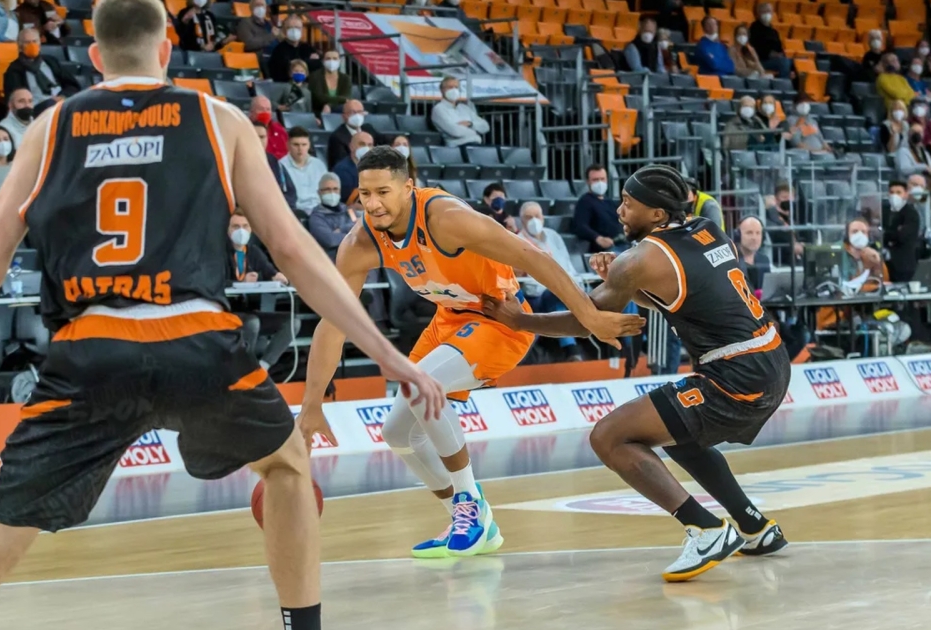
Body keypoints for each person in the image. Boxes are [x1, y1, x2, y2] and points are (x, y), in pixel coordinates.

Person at [0, 4, 447, 630]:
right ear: (166, 51)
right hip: (197, 343)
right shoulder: (219, 119)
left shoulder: (50, 127)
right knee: (286, 465)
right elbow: (294, 252)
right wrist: (389, 356)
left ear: (95, 56)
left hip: (90, 353)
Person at [299, 147, 643, 559]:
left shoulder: (446, 218)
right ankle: (471, 520)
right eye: (365, 194)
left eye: (383, 192)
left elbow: (534, 257)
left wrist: (588, 316)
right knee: (396, 433)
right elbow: (333, 322)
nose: (372, 204)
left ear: (408, 188)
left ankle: (470, 506)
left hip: (499, 318)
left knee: (421, 386)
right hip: (449, 320)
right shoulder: (360, 242)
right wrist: (311, 404)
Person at [483, 164, 789, 582]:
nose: (619, 210)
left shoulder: (641, 259)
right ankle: (754, 526)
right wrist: (624, 281)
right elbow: (677, 289)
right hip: (771, 359)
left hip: (736, 376)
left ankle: (706, 530)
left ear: (657, 213)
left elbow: (587, 319)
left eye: (628, 203)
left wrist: (520, 321)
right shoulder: (707, 230)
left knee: (609, 437)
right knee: (678, 435)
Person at [517, 201, 584, 361]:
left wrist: (576, 284)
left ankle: (631, 346)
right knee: (554, 294)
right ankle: (571, 349)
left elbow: (567, 264)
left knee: (620, 291)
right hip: (540, 293)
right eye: (529, 217)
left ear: (543, 218)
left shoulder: (553, 236)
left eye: (537, 216)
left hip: (569, 288)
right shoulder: (517, 241)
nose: (534, 220)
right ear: (522, 221)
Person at [227, 211, 293, 371]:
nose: (241, 231)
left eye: (245, 226)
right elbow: (213, 281)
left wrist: (278, 276)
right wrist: (241, 283)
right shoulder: (217, 253)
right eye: (236, 226)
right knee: (252, 323)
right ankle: (244, 369)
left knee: (291, 323)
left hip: (248, 311)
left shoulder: (253, 251)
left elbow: (270, 270)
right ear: (227, 230)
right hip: (226, 312)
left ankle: (262, 368)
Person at [3, 28, 81, 111]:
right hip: (36, 108)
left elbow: (72, 85)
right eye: (27, 42)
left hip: (61, 103)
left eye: (35, 41)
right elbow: (16, 98)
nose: (32, 45)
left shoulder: (51, 61)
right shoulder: (14, 69)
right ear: (20, 46)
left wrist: (63, 96)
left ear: (40, 44)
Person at [572, 164, 621, 253]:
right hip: (604, 250)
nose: (600, 183)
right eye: (595, 180)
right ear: (588, 181)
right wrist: (598, 238)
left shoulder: (609, 201)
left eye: (602, 179)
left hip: (621, 244)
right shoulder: (585, 202)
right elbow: (580, 226)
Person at [279, 126, 327, 215]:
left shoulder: (319, 165)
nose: (300, 149)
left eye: (304, 145)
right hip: (294, 212)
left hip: (319, 211)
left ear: (309, 145)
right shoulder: (281, 166)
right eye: (296, 145)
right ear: (288, 145)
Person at [431, 77, 490, 148]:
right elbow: (455, 132)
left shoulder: (464, 108)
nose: (454, 90)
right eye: (450, 87)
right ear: (442, 90)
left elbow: (485, 127)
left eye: (456, 87)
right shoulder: (439, 109)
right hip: (458, 146)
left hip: (476, 144)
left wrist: (470, 124)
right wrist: (475, 131)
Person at [307, 172, 354, 259]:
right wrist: (354, 235)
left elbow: (360, 227)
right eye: (327, 189)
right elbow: (331, 241)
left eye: (335, 189)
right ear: (319, 192)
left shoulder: (348, 210)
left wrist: (341, 230)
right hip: (333, 260)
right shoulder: (316, 218)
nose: (332, 192)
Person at [327, 99, 383, 170]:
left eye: (360, 112)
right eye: (352, 112)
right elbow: (340, 164)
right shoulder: (337, 137)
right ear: (343, 116)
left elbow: (385, 141)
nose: (357, 115)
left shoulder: (368, 128)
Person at [253, 121, 298, 210]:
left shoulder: (274, 161)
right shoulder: (236, 161)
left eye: (262, 137)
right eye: (254, 137)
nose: (258, 141)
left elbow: (289, 192)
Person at [886, 180, 923, 282]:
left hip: (904, 264)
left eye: (898, 192)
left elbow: (902, 236)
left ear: (906, 194)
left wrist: (887, 234)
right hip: (886, 264)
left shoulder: (911, 214)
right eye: (892, 192)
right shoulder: (884, 211)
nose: (894, 195)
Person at [267, 15, 320, 83]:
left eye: (297, 27)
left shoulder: (307, 47)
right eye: (290, 28)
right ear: (284, 31)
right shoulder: (279, 50)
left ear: (302, 30)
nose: (294, 30)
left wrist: (295, 64)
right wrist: (307, 62)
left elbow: (317, 65)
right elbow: (282, 70)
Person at [748, 3, 790, 79]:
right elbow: (755, 48)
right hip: (761, 60)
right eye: (764, 11)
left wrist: (780, 54)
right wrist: (770, 54)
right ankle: (782, 83)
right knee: (784, 63)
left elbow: (779, 48)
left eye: (769, 11)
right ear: (758, 14)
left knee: (794, 62)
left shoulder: (774, 32)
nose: (767, 14)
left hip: (776, 59)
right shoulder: (754, 28)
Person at [332, 130, 373, 201]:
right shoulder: (342, 170)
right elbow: (348, 201)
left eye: (369, 145)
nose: (366, 148)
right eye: (362, 144)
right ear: (351, 146)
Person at [309, 49, 351, 115]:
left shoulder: (345, 78)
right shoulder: (315, 76)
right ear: (323, 61)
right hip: (318, 111)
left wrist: (329, 105)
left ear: (339, 61)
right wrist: (341, 100)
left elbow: (346, 97)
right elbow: (319, 98)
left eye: (335, 58)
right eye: (328, 58)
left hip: (340, 111)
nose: (331, 61)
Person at [250, 95, 289, 160]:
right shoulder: (245, 129)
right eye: (261, 109)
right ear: (252, 112)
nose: (265, 112)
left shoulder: (279, 129)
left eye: (268, 109)